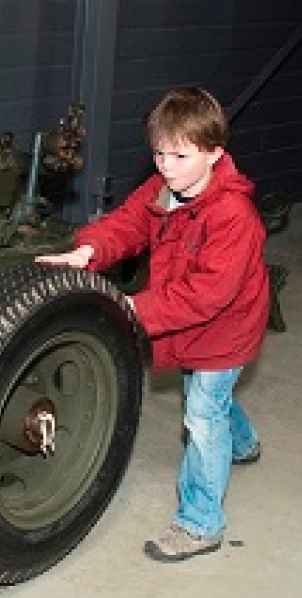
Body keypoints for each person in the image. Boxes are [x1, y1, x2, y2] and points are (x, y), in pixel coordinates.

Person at [36, 87, 269, 562]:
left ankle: (201, 523)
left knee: (203, 413)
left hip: (225, 328)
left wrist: (136, 309)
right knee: (210, 399)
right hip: (186, 322)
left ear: (214, 153)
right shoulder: (167, 188)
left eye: (180, 155)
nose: (166, 166)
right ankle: (241, 444)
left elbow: (207, 295)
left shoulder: (234, 217)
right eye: (160, 153)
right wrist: (89, 251)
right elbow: (127, 224)